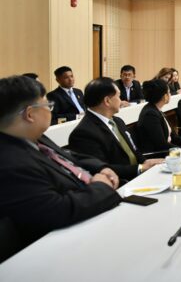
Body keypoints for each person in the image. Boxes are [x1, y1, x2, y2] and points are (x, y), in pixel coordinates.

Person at [0, 76, 121, 259]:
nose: (50, 111)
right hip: (64, 247)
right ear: (30, 114)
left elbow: (68, 157)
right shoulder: (11, 163)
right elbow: (58, 211)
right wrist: (101, 187)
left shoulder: (32, 137)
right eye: (48, 106)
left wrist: (101, 167)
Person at [68, 77, 163, 182]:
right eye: (118, 96)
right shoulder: (84, 133)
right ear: (107, 101)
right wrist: (140, 168)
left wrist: (146, 162)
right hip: (121, 183)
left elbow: (133, 150)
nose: (121, 100)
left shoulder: (117, 121)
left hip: (140, 176)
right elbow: (102, 169)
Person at [136, 79, 181, 154]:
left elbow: (172, 135)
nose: (170, 95)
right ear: (165, 96)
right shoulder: (150, 114)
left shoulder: (156, 109)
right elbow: (161, 145)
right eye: (169, 92)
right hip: (159, 154)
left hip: (168, 149)